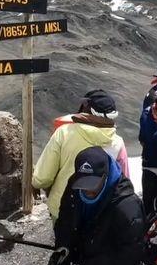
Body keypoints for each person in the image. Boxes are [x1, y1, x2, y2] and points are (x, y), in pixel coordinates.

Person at [53, 147, 145, 265]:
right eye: (83, 184)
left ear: (106, 176)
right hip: (85, 261)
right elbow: (65, 220)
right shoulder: (75, 185)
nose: (87, 190)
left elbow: (130, 256)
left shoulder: (127, 208)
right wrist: (63, 246)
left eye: (93, 184)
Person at [33, 89, 129, 220]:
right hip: (99, 211)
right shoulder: (118, 143)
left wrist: (36, 183)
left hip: (63, 207)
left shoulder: (64, 133)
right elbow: (123, 182)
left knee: (64, 239)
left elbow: (43, 178)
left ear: (87, 109)